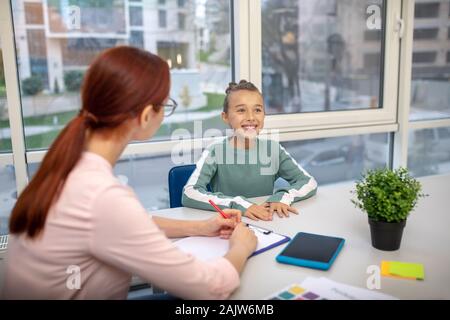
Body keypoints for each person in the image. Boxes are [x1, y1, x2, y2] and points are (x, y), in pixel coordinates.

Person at [1, 47, 257, 300]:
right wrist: (241, 248)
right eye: (166, 105)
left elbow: (129, 225)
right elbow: (210, 288)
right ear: (146, 115)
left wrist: (201, 227)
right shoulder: (102, 197)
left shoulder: (70, 164)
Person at [182, 80, 317, 221]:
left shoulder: (273, 149)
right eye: (241, 110)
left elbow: (308, 182)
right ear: (225, 116)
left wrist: (282, 197)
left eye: (257, 110)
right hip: (230, 223)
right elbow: (190, 193)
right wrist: (239, 204)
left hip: (267, 221)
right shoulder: (215, 151)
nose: (251, 117)